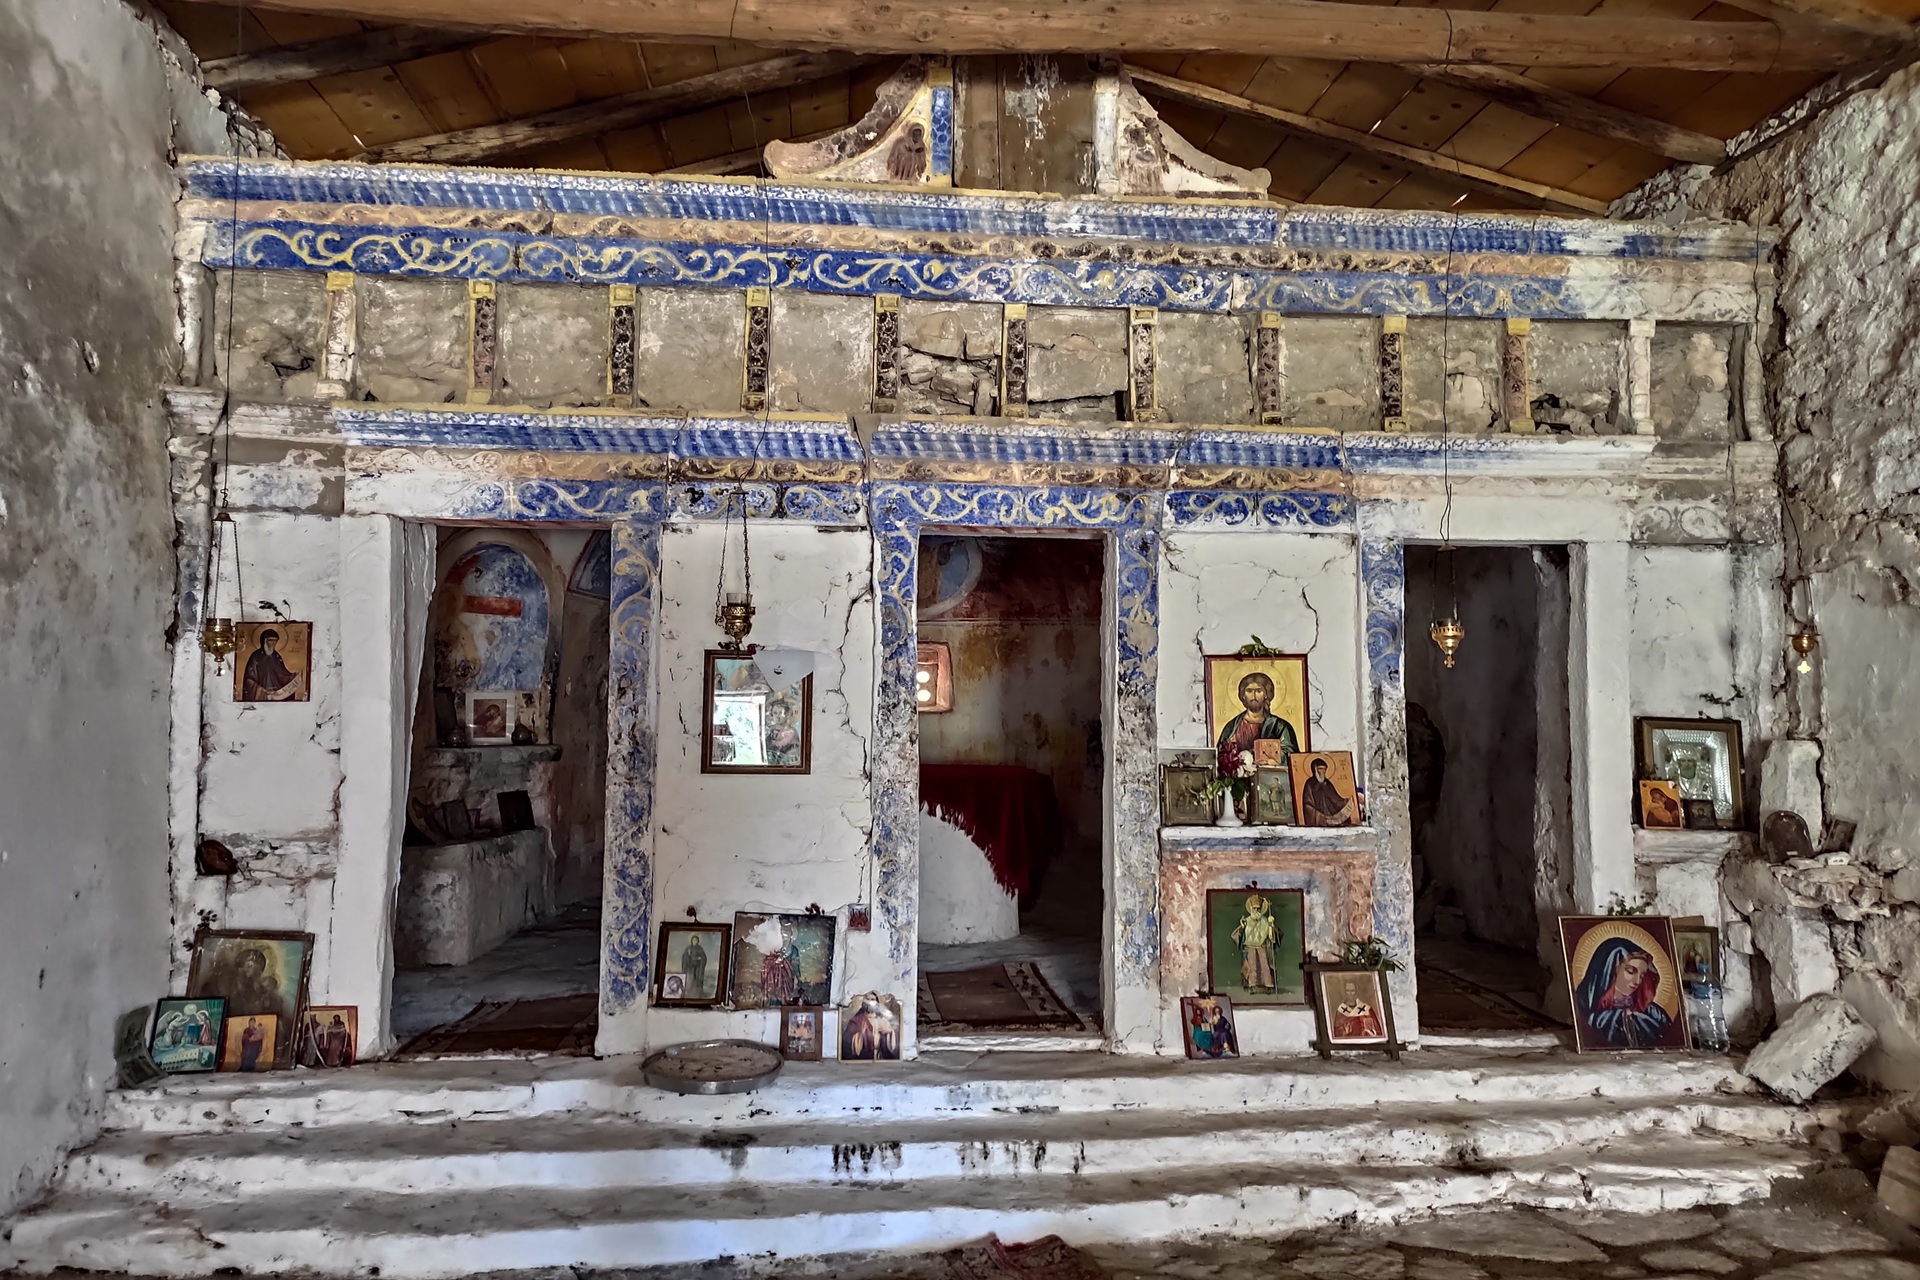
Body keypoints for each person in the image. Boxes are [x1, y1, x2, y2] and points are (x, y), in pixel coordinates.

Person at [1576, 936, 1674, 1048]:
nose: (1637, 981)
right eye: (1631, 971)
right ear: (1611, 969)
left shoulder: (1654, 1013)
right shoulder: (1588, 1011)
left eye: (1642, 976)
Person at [1216, 672, 1300, 757]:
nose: (1253, 696)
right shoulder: (1232, 727)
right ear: (1243, 695)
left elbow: (1290, 754)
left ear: (1266, 695)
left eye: (1258, 691)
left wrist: (1262, 754)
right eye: (1249, 691)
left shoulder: (1279, 726)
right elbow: (1220, 754)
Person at [1230, 894, 1280, 992]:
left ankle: (1267, 987)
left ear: (1261, 909)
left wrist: (1272, 927)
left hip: (1262, 947)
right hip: (1250, 948)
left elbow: (1273, 936)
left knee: (1264, 966)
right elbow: (1236, 935)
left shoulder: (1266, 921)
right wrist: (1242, 927)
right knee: (1251, 967)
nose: (1256, 911)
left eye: (1258, 909)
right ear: (1251, 908)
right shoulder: (1246, 921)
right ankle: (1251, 986)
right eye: (1254, 908)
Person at [242, 628, 303, 701]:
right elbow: (249, 679)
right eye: (270, 640)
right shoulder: (255, 656)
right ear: (264, 641)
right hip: (262, 693)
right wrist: (261, 690)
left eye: (275, 640)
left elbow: (282, 674)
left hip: (276, 691)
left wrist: (292, 677)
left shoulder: (276, 656)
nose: (273, 643)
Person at [1301, 757, 1357, 826]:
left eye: (1324, 769)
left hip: (1331, 815)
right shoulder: (1310, 783)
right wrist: (1320, 817)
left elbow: (1335, 799)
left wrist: (1344, 802)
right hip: (1318, 817)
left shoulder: (1327, 783)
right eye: (1320, 769)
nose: (1323, 771)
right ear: (1314, 769)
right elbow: (1307, 804)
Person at [681, 933, 709, 998]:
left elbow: (704, 957)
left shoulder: (700, 948)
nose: (694, 941)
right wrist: (688, 958)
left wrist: (700, 958)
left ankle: (699, 993)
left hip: (698, 967)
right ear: (691, 941)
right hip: (690, 967)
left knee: (698, 979)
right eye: (693, 940)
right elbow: (685, 957)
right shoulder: (688, 948)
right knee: (691, 979)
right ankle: (689, 993)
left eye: (696, 940)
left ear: (698, 941)